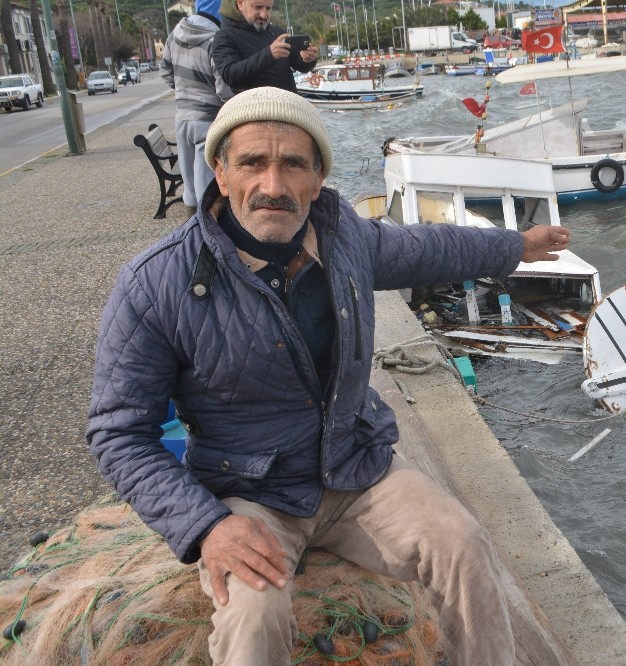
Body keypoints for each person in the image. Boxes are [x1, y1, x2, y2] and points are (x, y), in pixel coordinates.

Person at [87, 86, 572, 665]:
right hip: (251, 493)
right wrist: (205, 526)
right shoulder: (154, 283)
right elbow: (118, 433)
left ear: (317, 179)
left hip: (355, 467)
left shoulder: (345, 237)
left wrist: (514, 246)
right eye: (252, 163)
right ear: (220, 172)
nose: (273, 185)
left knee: (463, 545)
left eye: (293, 164)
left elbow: (427, 248)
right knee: (253, 616)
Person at [161, 0, 233, 216]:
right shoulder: (215, 39)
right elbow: (223, 87)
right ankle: (206, 227)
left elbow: (165, 72)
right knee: (207, 184)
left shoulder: (175, 33)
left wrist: (183, 91)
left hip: (182, 116)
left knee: (190, 183)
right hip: (207, 118)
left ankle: (191, 223)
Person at [212, 0, 318, 94]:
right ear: (240, 4)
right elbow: (230, 75)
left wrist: (307, 59)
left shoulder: (277, 33)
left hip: (288, 106)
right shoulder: (224, 36)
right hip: (254, 108)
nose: (263, 15)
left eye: (268, 8)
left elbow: (299, 64)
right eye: (257, 7)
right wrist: (269, 55)